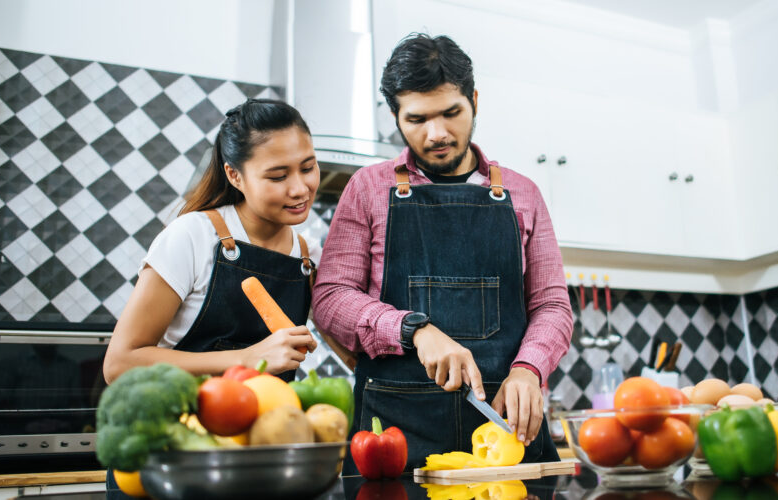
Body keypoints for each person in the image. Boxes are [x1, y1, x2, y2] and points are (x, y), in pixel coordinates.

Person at [312, 33, 573, 473]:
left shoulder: (524, 193)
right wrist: (413, 329)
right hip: (394, 435)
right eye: (417, 119)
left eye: (451, 113)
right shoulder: (367, 188)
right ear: (395, 116)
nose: (437, 134)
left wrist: (529, 369)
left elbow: (552, 305)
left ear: (474, 101)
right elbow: (330, 297)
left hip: (505, 430)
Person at [103, 99, 337, 385]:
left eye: (308, 168)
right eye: (278, 176)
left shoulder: (309, 258)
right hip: (182, 413)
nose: (300, 189)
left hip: (270, 415)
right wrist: (247, 359)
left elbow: (353, 354)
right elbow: (120, 363)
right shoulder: (192, 236)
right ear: (234, 175)